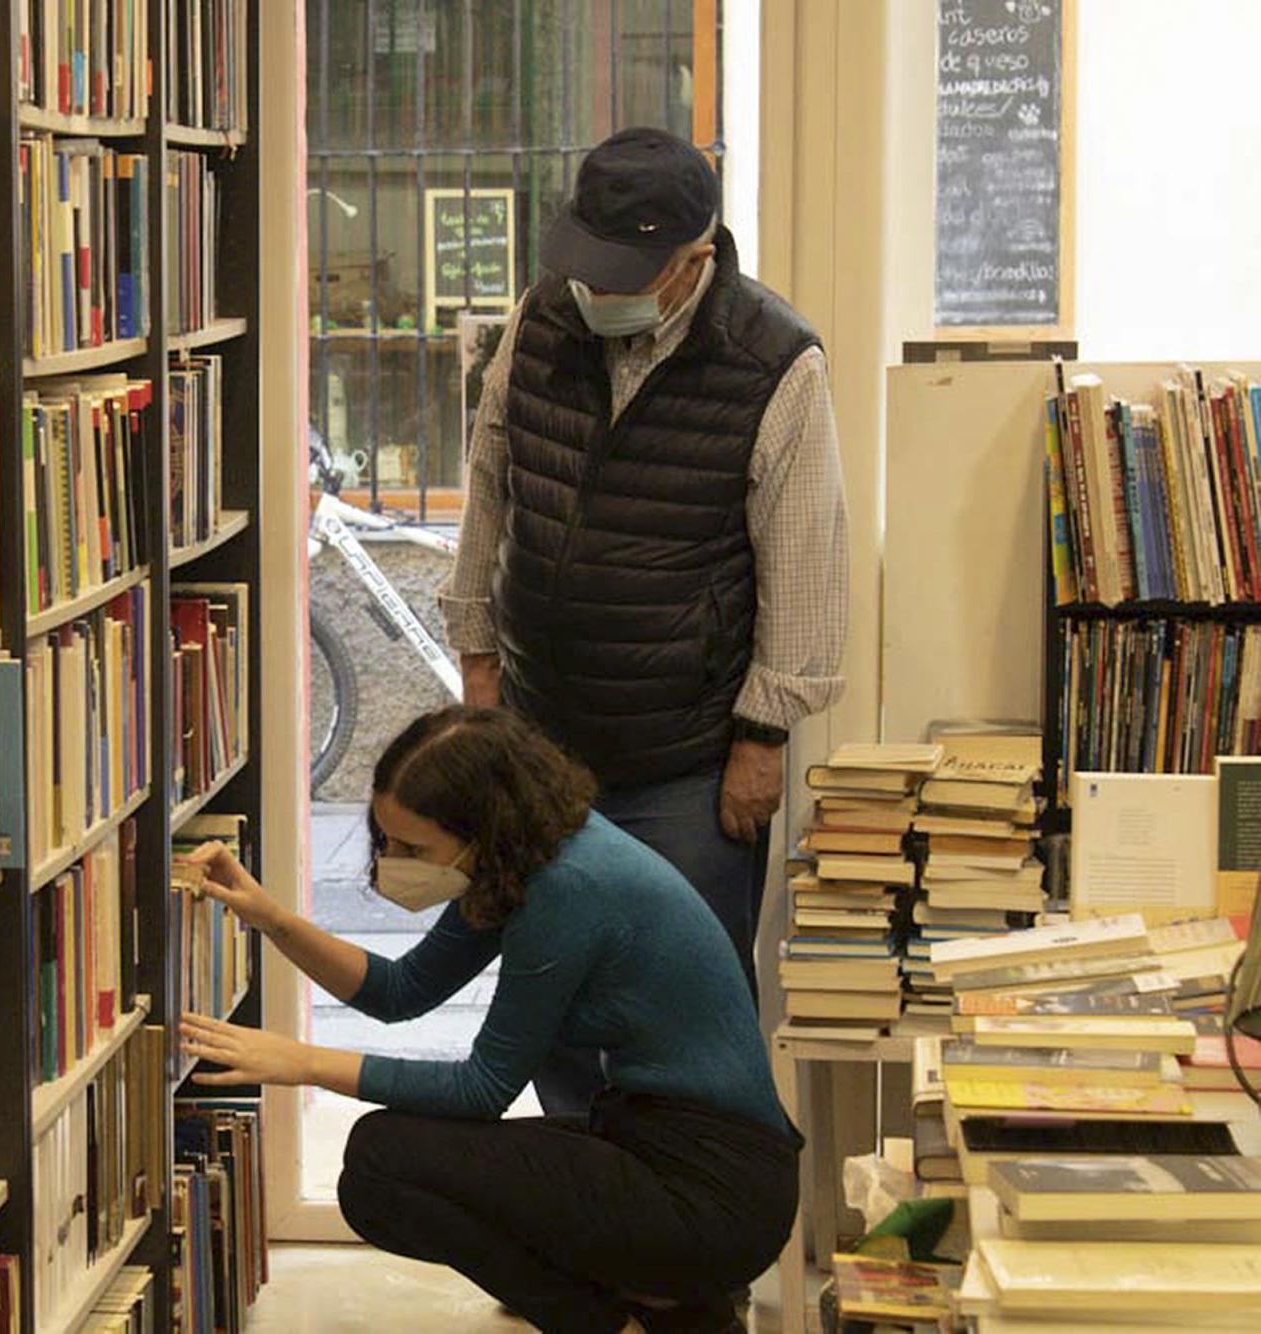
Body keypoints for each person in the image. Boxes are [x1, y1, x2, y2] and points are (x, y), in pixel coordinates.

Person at [439, 125, 848, 1114]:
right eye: (583, 263)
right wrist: (478, 668)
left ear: (692, 259)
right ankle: (590, 1232)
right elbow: (487, 491)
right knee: (552, 998)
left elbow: (803, 562)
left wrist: (760, 737)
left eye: (619, 270)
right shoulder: (539, 323)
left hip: (687, 759)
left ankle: (688, 1248)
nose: (590, 289)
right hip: (542, 737)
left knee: (683, 1013)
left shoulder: (772, 360)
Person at [179, 707, 801, 1334]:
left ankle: (615, 1319)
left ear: (483, 830)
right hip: (663, 1146)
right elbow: (402, 990)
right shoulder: (530, 853)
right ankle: (670, 1308)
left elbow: (483, 1089)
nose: (393, 860)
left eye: (413, 847)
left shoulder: (567, 887)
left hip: (715, 1191)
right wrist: (272, 918)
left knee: (385, 1159)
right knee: (375, 1173)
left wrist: (304, 1062)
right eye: (386, 839)